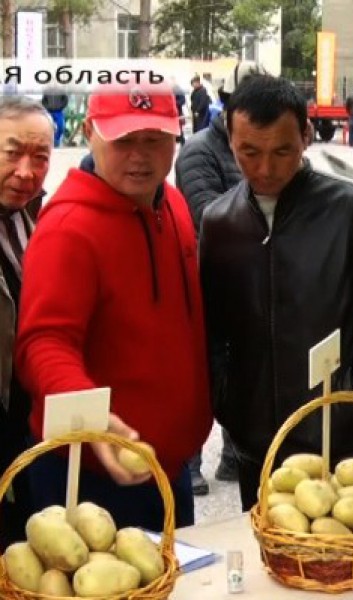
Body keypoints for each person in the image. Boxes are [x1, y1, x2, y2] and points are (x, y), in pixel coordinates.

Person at [199, 75, 353, 511]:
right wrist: (230, 404)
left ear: (305, 136)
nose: (265, 169)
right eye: (250, 152)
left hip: (345, 444)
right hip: (259, 447)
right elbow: (213, 331)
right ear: (229, 140)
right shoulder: (219, 221)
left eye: (282, 151)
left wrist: (349, 399)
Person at [16, 81, 211, 530]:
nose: (139, 157)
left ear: (176, 135)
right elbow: (43, 343)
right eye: (123, 140)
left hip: (166, 467)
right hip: (90, 476)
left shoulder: (173, 203)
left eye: (153, 140)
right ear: (90, 132)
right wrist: (94, 417)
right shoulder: (69, 227)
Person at [174, 61, 265, 494]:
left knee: (246, 366)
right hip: (208, 281)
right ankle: (190, 461)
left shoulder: (255, 147)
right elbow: (205, 214)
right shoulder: (198, 151)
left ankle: (233, 455)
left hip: (253, 280)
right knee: (203, 371)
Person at [0, 97, 53, 549]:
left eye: (40, 157)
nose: (26, 170)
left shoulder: (35, 216)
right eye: (12, 152)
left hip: (21, 419)